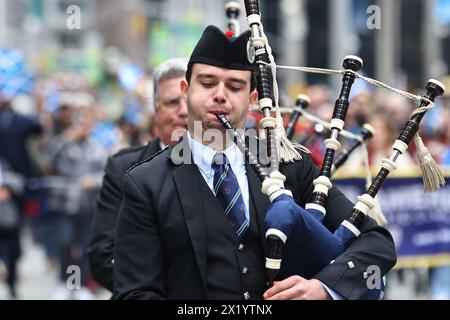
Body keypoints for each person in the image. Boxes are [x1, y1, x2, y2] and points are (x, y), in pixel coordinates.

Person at [112, 25, 396, 300]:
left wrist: (322, 288)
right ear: (186, 90)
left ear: (252, 99)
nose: (220, 95)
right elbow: (134, 292)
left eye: (234, 86)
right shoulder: (146, 184)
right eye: (208, 83)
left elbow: (376, 243)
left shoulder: (289, 166)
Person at [87, 58, 189, 292]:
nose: (183, 111)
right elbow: (103, 255)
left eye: (188, 101)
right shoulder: (123, 168)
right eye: (173, 102)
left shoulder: (225, 166)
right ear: (156, 108)